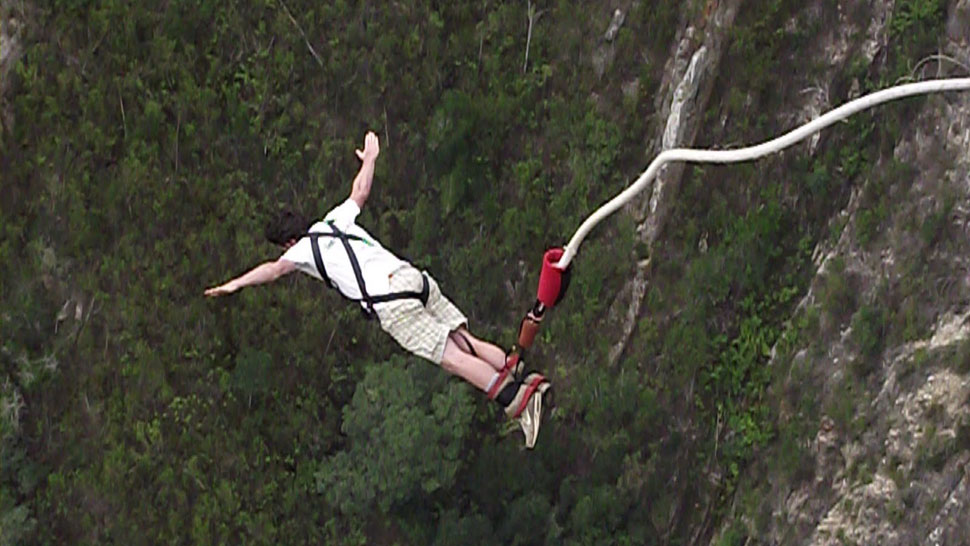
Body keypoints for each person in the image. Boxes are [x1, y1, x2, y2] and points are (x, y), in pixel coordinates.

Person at [204, 131, 550, 447]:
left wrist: (235, 284)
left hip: (391, 302)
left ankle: (517, 402)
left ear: (288, 241)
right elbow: (361, 191)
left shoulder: (299, 251)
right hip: (412, 277)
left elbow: (274, 271)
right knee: (465, 340)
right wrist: (370, 159)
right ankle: (524, 376)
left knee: (454, 360)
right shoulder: (334, 219)